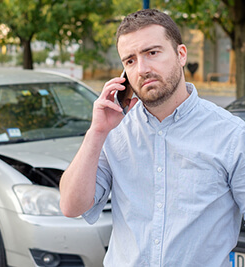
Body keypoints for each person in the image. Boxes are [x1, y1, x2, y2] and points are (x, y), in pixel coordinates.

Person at [59, 9, 245, 266]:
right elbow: (71, 206)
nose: (142, 69)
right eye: (130, 60)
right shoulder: (114, 131)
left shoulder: (232, 135)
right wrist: (97, 132)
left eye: (152, 53)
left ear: (181, 55)